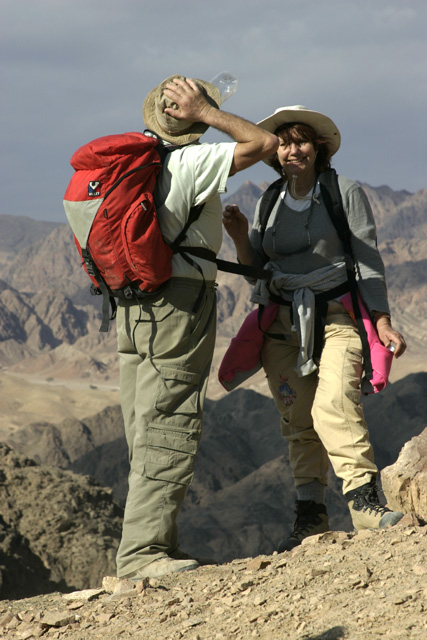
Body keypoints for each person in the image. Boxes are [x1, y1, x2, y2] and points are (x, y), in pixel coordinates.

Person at [222, 105, 407, 552]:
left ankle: (365, 504)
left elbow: (367, 259)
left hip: (337, 319)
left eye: (301, 141)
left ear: (318, 147)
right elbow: (257, 272)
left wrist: (381, 320)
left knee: (334, 406)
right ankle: (310, 517)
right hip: (282, 327)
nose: (293, 150)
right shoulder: (269, 200)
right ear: (274, 153)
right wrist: (240, 236)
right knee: (298, 420)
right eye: (284, 143)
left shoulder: (343, 193)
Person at [115, 76, 278, 579]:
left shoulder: (136, 166)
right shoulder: (187, 161)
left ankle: (155, 544)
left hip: (132, 307)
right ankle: (142, 555)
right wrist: (207, 111)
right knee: (170, 420)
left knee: (144, 424)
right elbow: (264, 143)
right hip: (178, 303)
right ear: (186, 116)